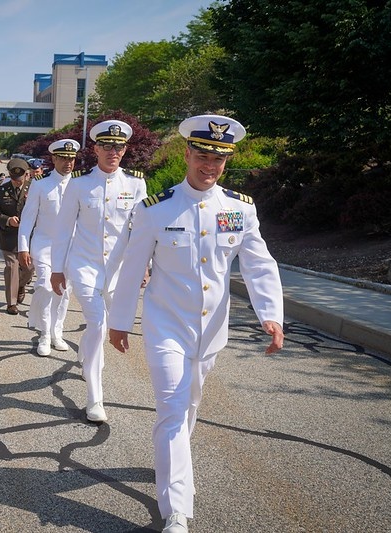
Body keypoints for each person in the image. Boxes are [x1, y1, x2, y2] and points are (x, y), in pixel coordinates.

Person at [107, 114, 284, 533]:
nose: (210, 166)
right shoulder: (155, 209)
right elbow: (132, 269)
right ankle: (177, 511)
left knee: (189, 407)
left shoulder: (239, 209)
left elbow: (259, 264)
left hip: (211, 331)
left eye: (218, 160)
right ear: (187, 154)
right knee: (171, 409)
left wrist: (271, 314)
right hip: (165, 324)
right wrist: (119, 320)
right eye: (203, 155)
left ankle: (172, 466)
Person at [50, 119, 147, 423]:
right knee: (98, 325)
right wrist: (57, 269)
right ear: (95, 149)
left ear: (125, 149)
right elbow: (64, 230)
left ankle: (88, 357)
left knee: (102, 328)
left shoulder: (135, 183)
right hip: (85, 266)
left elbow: (143, 230)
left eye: (118, 146)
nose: (113, 151)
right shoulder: (79, 184)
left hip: (118, 271)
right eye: (106, 146)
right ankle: (95, 398)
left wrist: (145, 265)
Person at [19, 139, 82, 356]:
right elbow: (27, 219)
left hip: (71, 247)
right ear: (54, 158)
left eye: (71, 159)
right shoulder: (40, 184)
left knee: (64, 292)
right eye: (63, 158)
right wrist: (22, 247)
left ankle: (57, 332)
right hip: (45, 244)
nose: (68, 163)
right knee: (46, 287)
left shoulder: (80, 184)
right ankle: (44, 334)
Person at [0, 158, 34, 315]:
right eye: (14, 179)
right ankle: (11, 303)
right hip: (9, 236)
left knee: (29, 268)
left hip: (30, 237)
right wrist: (7, 220)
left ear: (26, 175)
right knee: (11, 267)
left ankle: (20, 285)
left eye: (20, 179)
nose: (17, 182)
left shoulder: (34, 188)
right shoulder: (1, 191)